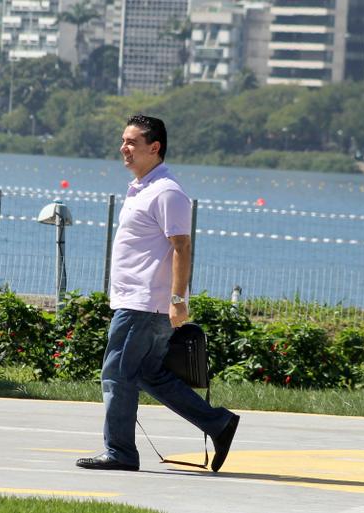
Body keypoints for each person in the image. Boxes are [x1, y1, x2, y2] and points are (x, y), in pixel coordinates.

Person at [75, 115, 239, 473]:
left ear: (155, 147)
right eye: (123, 141)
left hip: (144, 305)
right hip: (137, 302)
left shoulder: (167, 192)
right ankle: (218, 424)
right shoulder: (143, 188)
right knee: (149, 375)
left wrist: (178, 300)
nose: (124, 148)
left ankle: (120, 452)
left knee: (116, 374)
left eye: (132, 142)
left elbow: (182, 246)